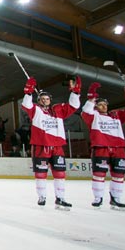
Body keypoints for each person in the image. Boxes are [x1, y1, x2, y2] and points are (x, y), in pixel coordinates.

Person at [22, 76, 81, 210]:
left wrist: (75, 92)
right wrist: (28, 92)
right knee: (41, 174)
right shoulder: (35, 110)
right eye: (42, 98)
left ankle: (60, 198)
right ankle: (42, 196)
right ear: (39, 100)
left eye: (47, 98)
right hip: (40, 146)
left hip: (57, 147)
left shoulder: (58, 110)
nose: (45, 100)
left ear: (50, 100)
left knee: (59, 174)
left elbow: (74, 106)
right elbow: (26, 105)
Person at [81, 82, 125, 210]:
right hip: (101, 148)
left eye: (105, 104)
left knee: (119, 175)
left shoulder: (116, 115)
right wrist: (91, 97)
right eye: (100, 104)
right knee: (99, 174)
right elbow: (86, 110)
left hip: (118, 148)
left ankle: (116, 199)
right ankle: (98, 198)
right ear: (96, 107)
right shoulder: (93, 117)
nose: (104, 106)